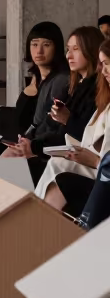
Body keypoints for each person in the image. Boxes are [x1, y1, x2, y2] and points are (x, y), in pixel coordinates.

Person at [2, 26, 103, 181]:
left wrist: (34, 146)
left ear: (91, 51)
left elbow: (85, 136)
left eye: (76, 49)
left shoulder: (91, 88)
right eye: (68, 49)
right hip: (53, 149)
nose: (69, 55)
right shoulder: (78, 86)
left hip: (75, 158)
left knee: (10, 165)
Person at [35, 40, 110, 217]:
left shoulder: (79, 89)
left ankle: (32, 221)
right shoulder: (103, 101)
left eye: (107, 64)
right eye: (102, 64)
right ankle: (33, 220)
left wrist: (95, 161)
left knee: (58, 166)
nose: (103, 70)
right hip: (97, 165)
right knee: (57, 163)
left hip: (103, 172)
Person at [12, 22, 69, 139]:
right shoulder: (34, 79)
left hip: (39, 146)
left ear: (57, 47)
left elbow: (49, 125)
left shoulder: (61, 81)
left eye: (46, 45)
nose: (39, 51)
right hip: (20, 143)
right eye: (34, 44)